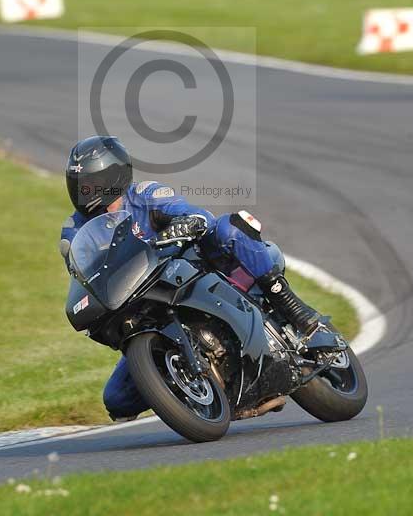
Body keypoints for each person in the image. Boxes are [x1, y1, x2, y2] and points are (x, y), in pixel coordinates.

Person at [59, 135, 321, 421]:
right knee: (117, 399)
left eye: (89, 184)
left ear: (114, 176)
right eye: (78, 185)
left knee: (227, 228)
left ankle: (289, 305)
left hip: (187, 273)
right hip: (139, 303)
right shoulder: (74, 229)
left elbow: (194, 215)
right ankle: (193, 387)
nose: (83, 193)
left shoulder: (146, 195)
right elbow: (83, 273)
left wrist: (186, 223)